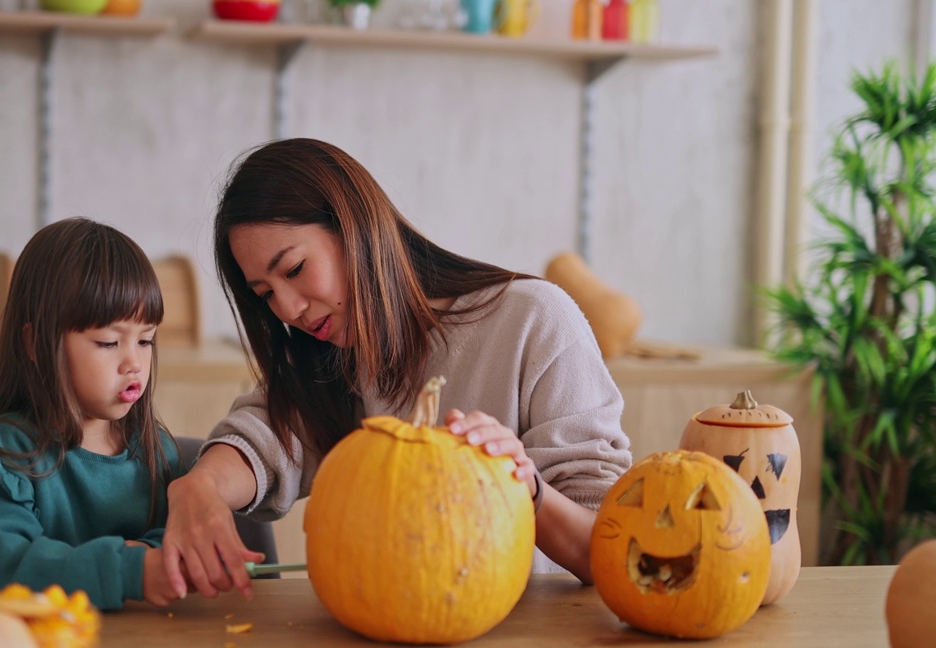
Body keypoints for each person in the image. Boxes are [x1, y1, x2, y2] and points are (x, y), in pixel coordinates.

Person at [163, 138, 632, 599]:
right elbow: (264, 435)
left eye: (293, 269)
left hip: (529, 647)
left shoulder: (534, 319)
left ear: (355, 227)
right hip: (376, 640)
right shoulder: (330, 354)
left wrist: (525, 487)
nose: (288, 309)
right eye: (265, 294)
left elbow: (603, 549)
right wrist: (199, 486)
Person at [0, 217, 220, 610]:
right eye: (107, 342)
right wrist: (126, 568)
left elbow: (176, 540)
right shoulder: (12, 453)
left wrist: (159, 558)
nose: (134, 363)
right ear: (36, 344)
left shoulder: (156, 449)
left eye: (146, 340)